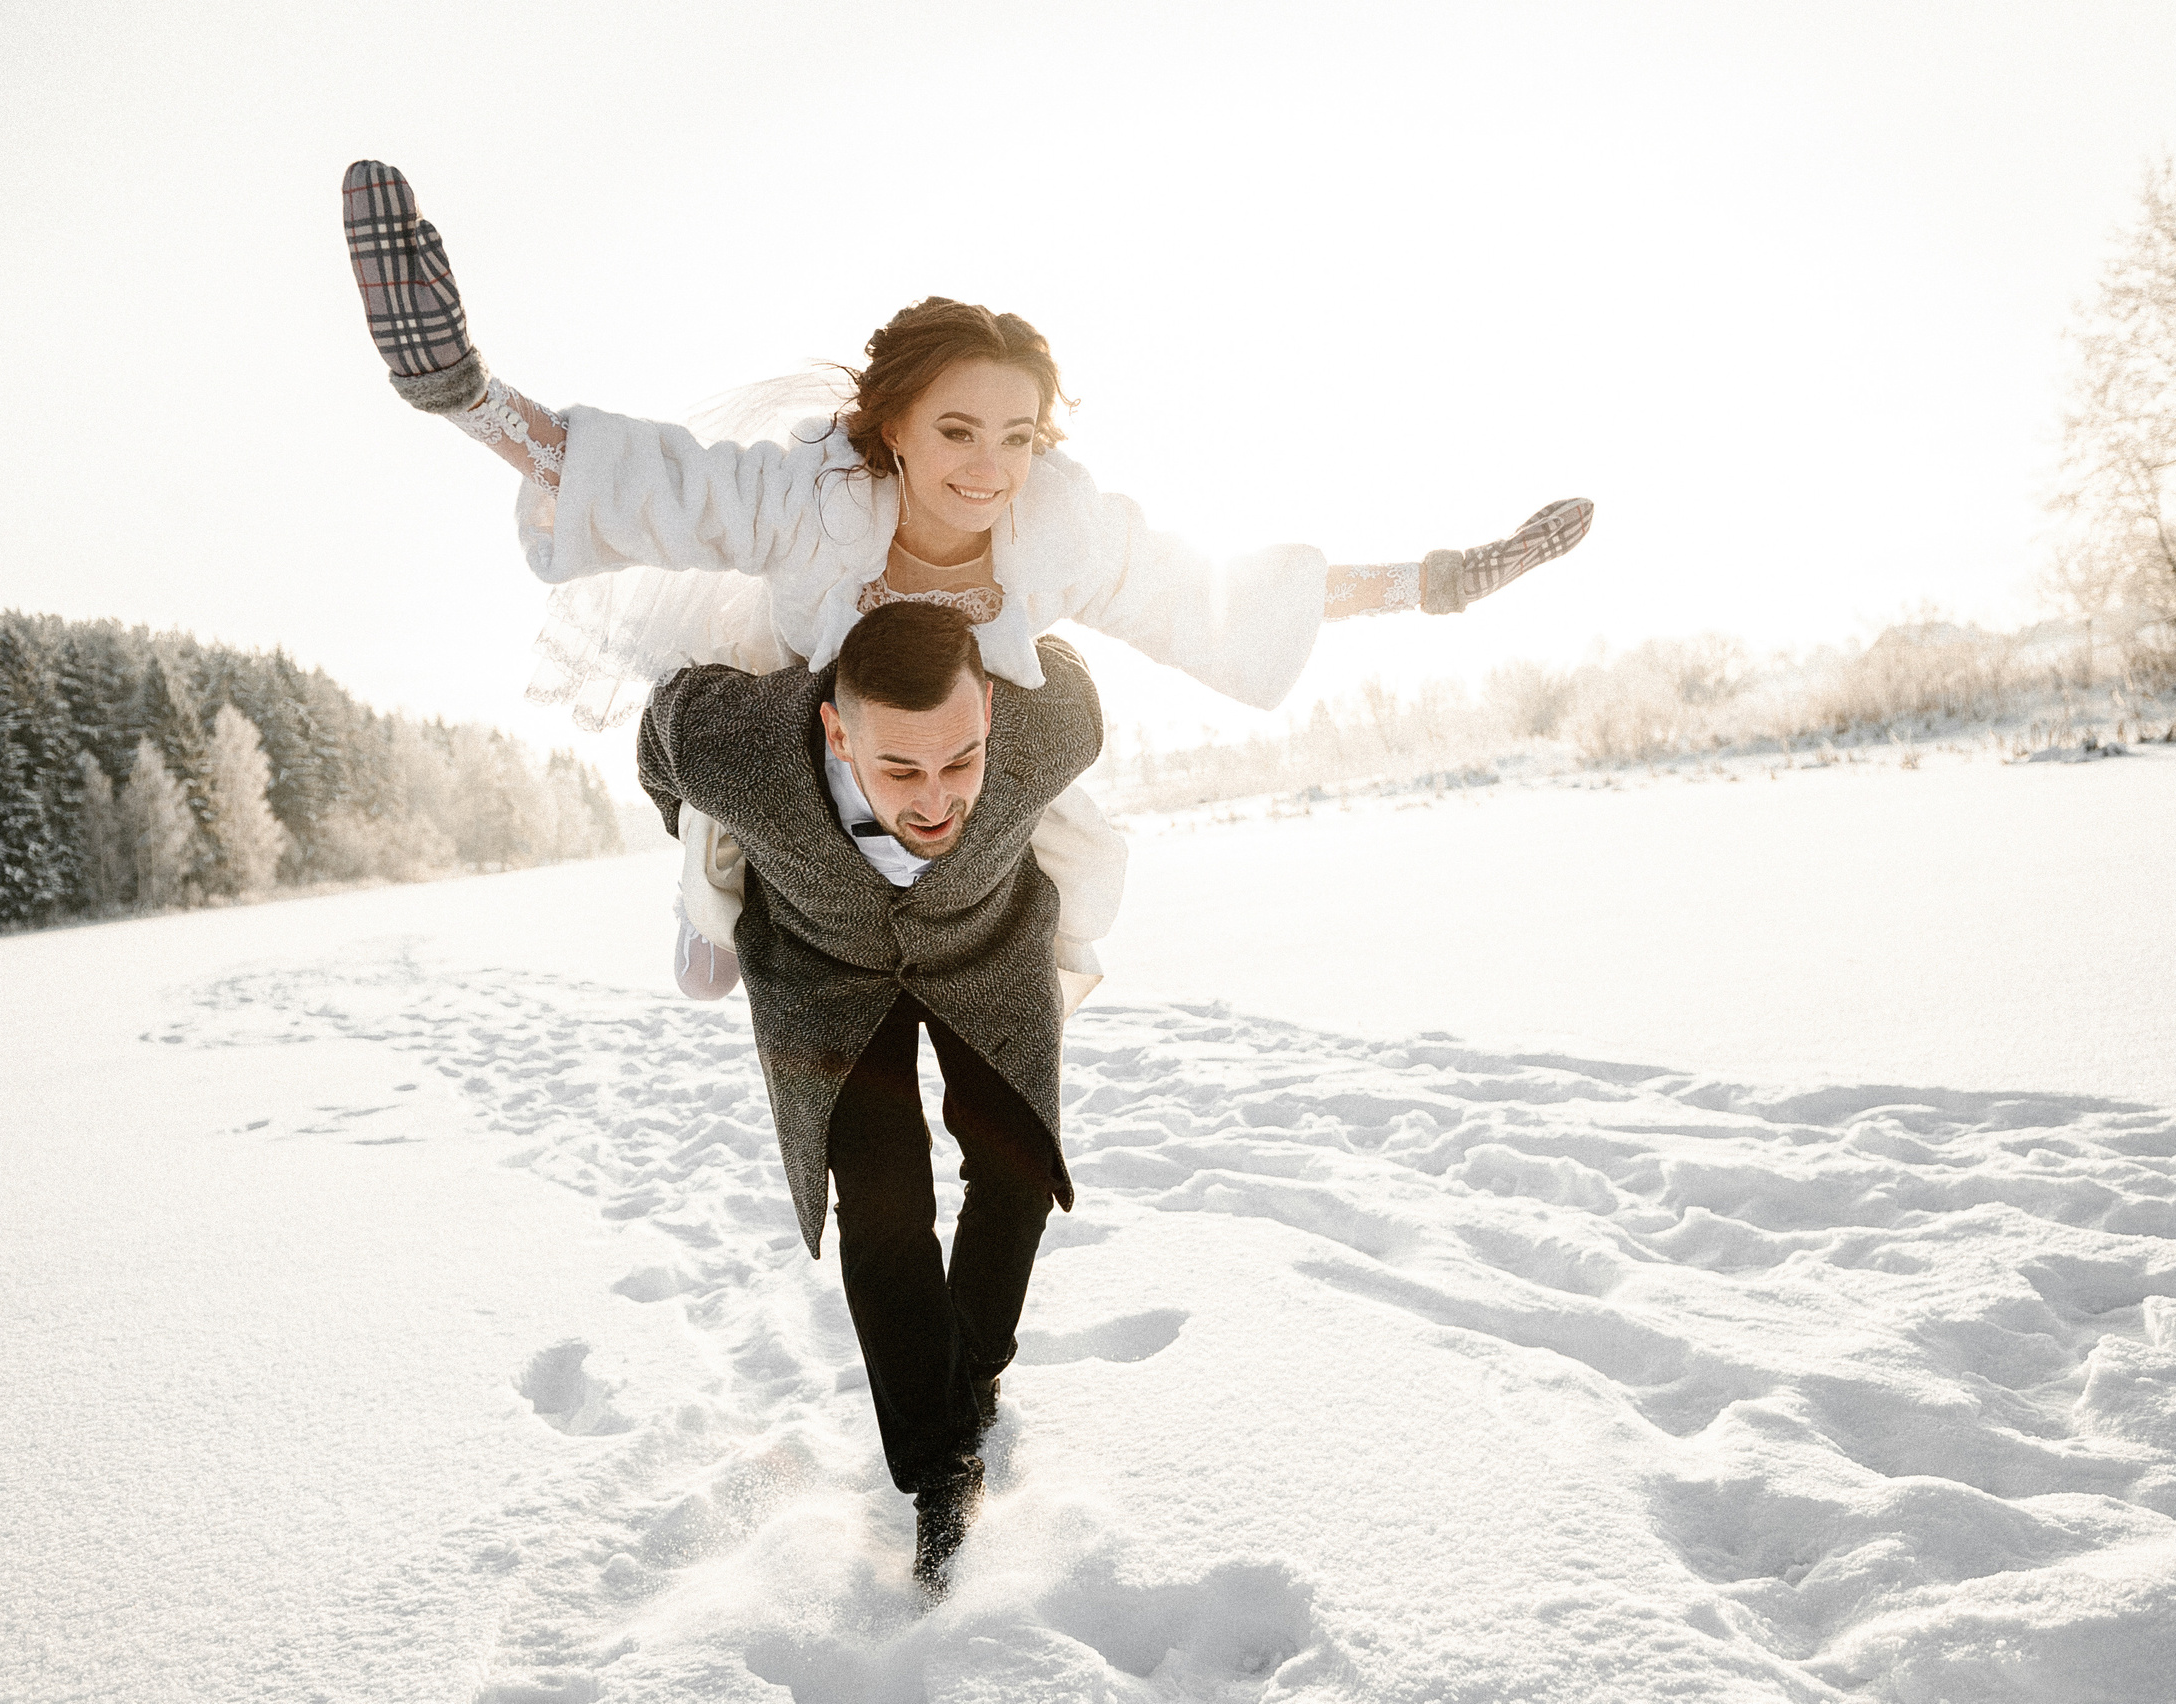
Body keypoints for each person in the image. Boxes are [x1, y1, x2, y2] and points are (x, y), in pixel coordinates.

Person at [339, 161, 1596, 1000]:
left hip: (966, 744)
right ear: (894, 425)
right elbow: (650, 482)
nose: (988, 469)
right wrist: (462, 394)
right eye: (956, 433)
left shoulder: (1058, 528)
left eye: (1016, 436)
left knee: (1059, 822)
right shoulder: (807, 499)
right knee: (738, 758)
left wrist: (1435, 582)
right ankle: (716, 899)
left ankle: (1012, 979)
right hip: (819, 723)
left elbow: (1213, 594)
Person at [636, 597, 1101, 1597]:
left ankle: (967, 1377)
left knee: (1016, 1168)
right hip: (824, 984)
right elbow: (660, 733)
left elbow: (1067, 669)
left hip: (987, 956)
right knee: (885, 1207)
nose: (935, 803)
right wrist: (705, 837)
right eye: (898, 770)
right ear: (834, 730)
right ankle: (941, 1472)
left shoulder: (1049, 723)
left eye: (959, 761)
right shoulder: (744, 752)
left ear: (987, 709)